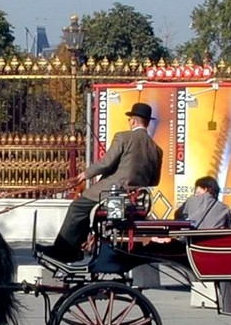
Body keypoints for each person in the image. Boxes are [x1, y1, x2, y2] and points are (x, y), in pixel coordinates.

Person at [36, 102, 163, 263]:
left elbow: (106, 163)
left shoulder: (123, 137)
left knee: (77, 208)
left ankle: (63, 250)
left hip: (112, 194)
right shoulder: (156, 148)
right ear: (147, 122)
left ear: (133, 121)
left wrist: (86, 174)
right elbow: (154, 180)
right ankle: (75, 248)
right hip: (133, 199)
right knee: (85, 211)